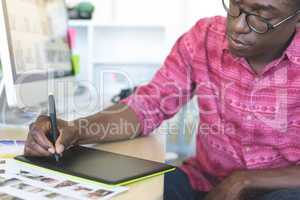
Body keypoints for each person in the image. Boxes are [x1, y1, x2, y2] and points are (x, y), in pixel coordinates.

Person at [25, 0, 300, 199]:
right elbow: (148, 105)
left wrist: (244, 181)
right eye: (236, 6)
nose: (239, 25)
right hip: (205, 183)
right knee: (133, 191)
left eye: (262, 16)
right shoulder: (204, 38)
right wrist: (75, 130)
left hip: (283, 187)